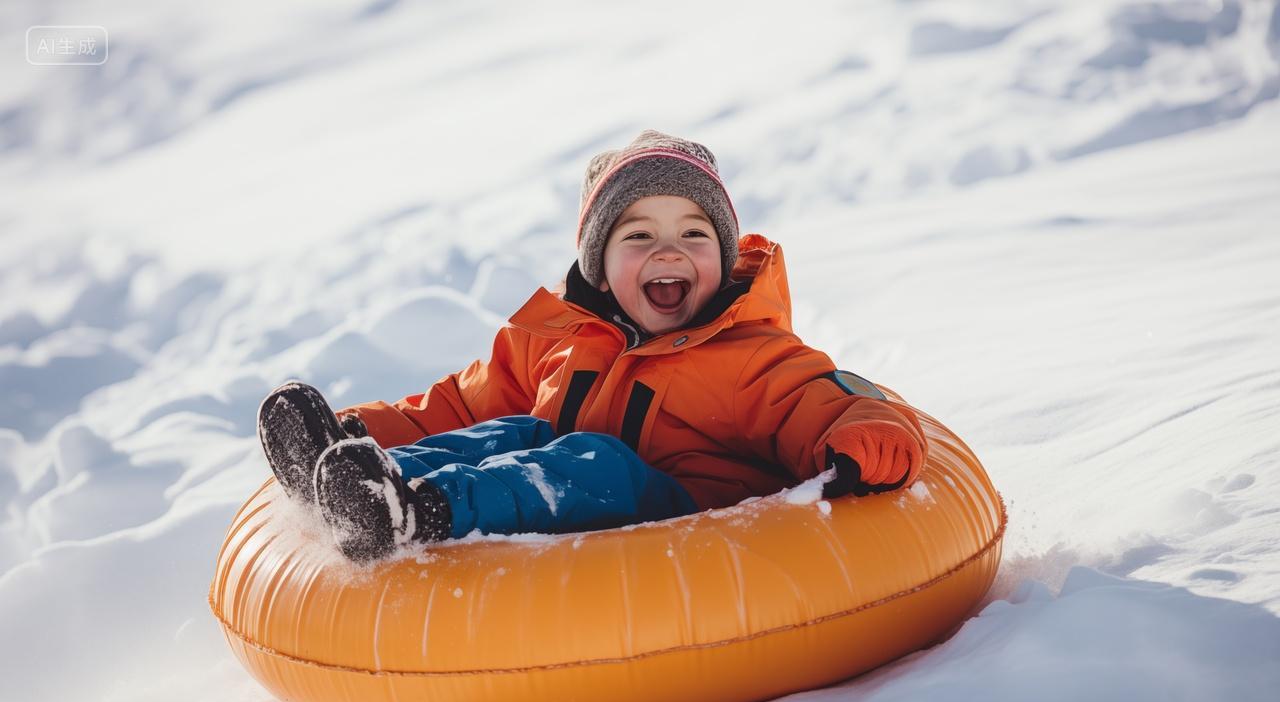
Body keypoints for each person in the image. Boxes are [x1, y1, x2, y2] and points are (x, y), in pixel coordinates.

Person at [258, 130, 928, 563]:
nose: (669, 250)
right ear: (599, 266)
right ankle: (357, 477)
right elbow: (461, 404)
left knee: (598, 457)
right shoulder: (557, 339)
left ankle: (419, 510)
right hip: (550, 494)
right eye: (638, 236)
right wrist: (359, 427)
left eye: (695, 234)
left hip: (687, 524)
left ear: (722, 260)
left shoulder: (749, 355)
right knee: (516, 426)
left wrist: (865, 437)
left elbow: (820, 399)